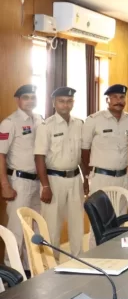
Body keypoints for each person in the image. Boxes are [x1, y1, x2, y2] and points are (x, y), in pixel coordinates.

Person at [34, 87, 83, 256]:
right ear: (54, 103)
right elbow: (39, 157)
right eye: (61, 101)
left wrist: (86, 179)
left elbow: (82, 154)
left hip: (75, 178)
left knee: (77, 223)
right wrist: (45, 186)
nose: (65, 105)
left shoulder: (79, 124)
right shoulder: (46, 126)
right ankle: (51, 262)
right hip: (54, 180)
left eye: (69, 101)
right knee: (52, 226)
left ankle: (78, 259)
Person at [0, 85, 43, 269]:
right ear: (17, 100)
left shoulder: (40, 119)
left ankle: (29, 270)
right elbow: (0, 154)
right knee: (16, 230)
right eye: (26, 97)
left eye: (33, 97)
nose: (30, 101)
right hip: (19, 182)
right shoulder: (9, 123)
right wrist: (5, 185)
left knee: (34, 229)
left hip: (37, 182)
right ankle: (12, 274)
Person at [81, 84, 128, 214]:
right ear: (107, 100)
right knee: (100, 217)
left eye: (122, 97)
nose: (119, 100)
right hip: (101, 177)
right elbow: (84, 150)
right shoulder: (94, 120)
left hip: (123, 177)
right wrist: (87, 175)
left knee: (121, 216)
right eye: (114, 97)